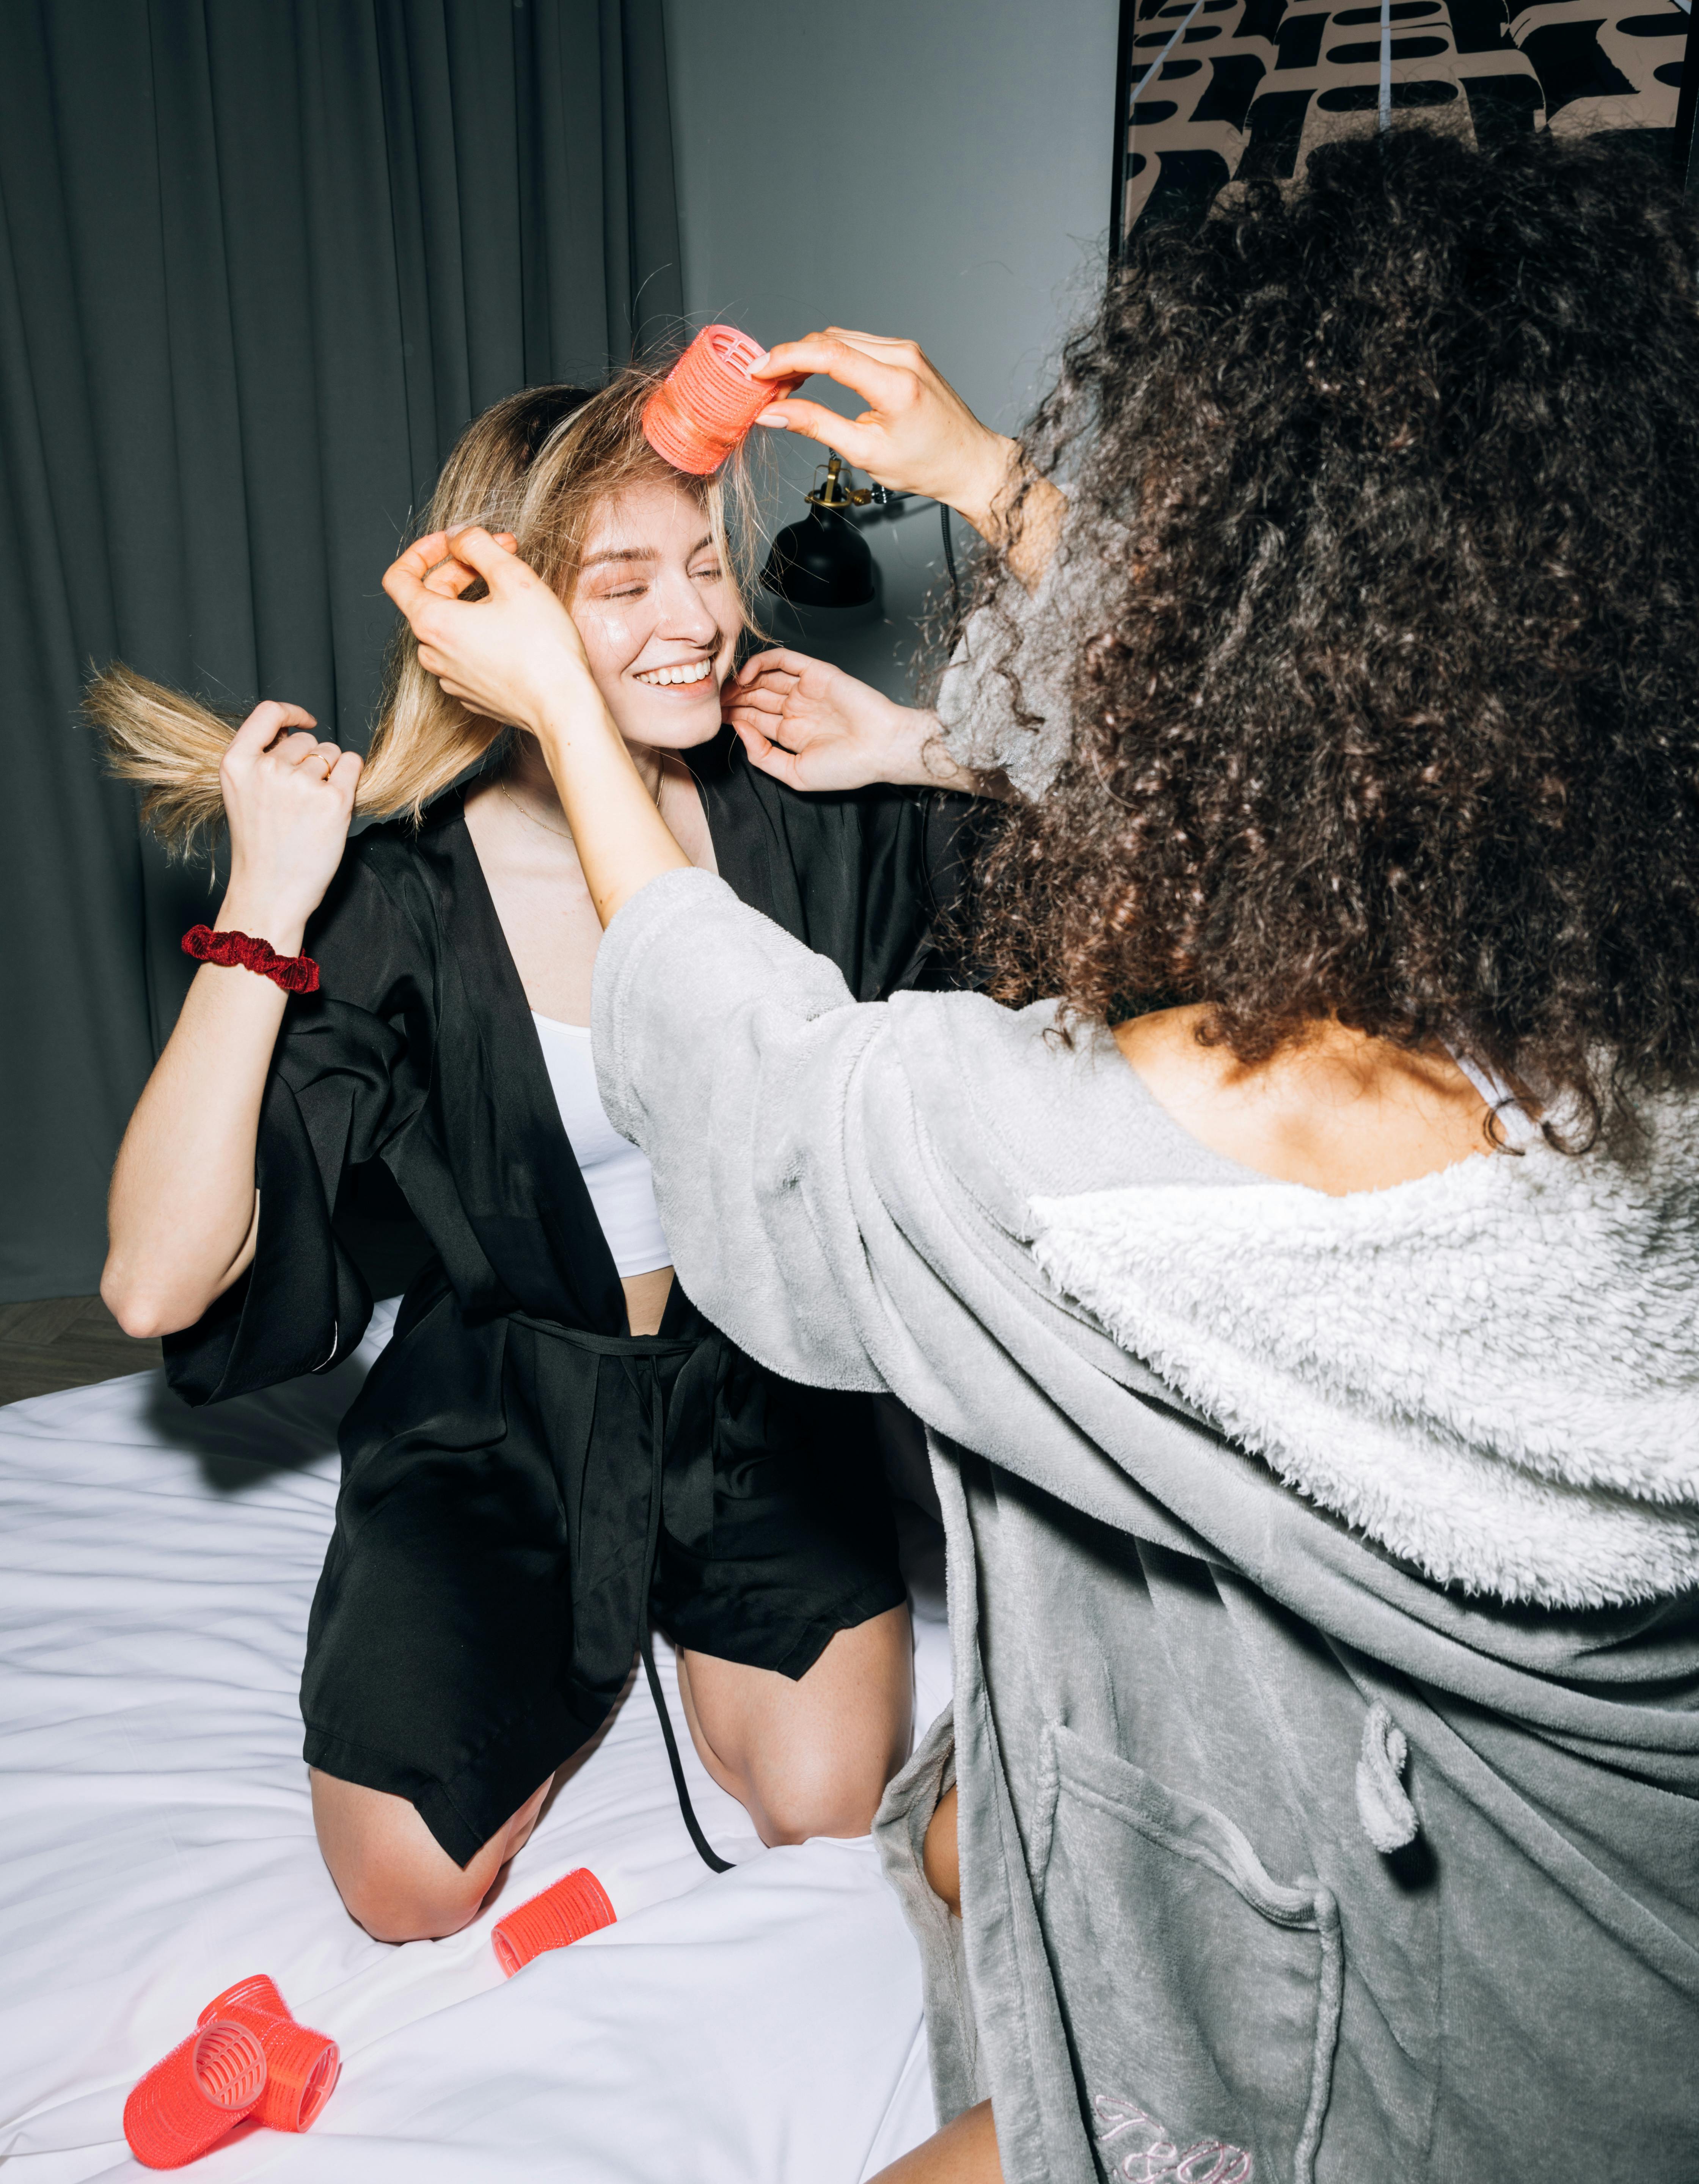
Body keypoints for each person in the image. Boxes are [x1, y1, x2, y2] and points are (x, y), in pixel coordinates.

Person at [382, 129, 1699, 2181]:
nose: (682, 613)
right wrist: (987, 477)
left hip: (1421, 2086)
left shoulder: (1090, 1166)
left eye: (689, 563)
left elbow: (765, 1122)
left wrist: (562, 709)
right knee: (951, 1823)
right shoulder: (1623, 1024)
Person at [93, 366, 966, 1943]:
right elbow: (158, 1279)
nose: (695, 618)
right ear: (496, 620)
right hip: (502, 1414)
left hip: (760, 1392)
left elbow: (1181, 854)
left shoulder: (807, 803)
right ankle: (557, 1640)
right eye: (620, 584)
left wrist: (918, 747)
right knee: (411, 1895)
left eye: (704, 563)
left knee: (830, 1810)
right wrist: (264, 913)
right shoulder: (402, 891)